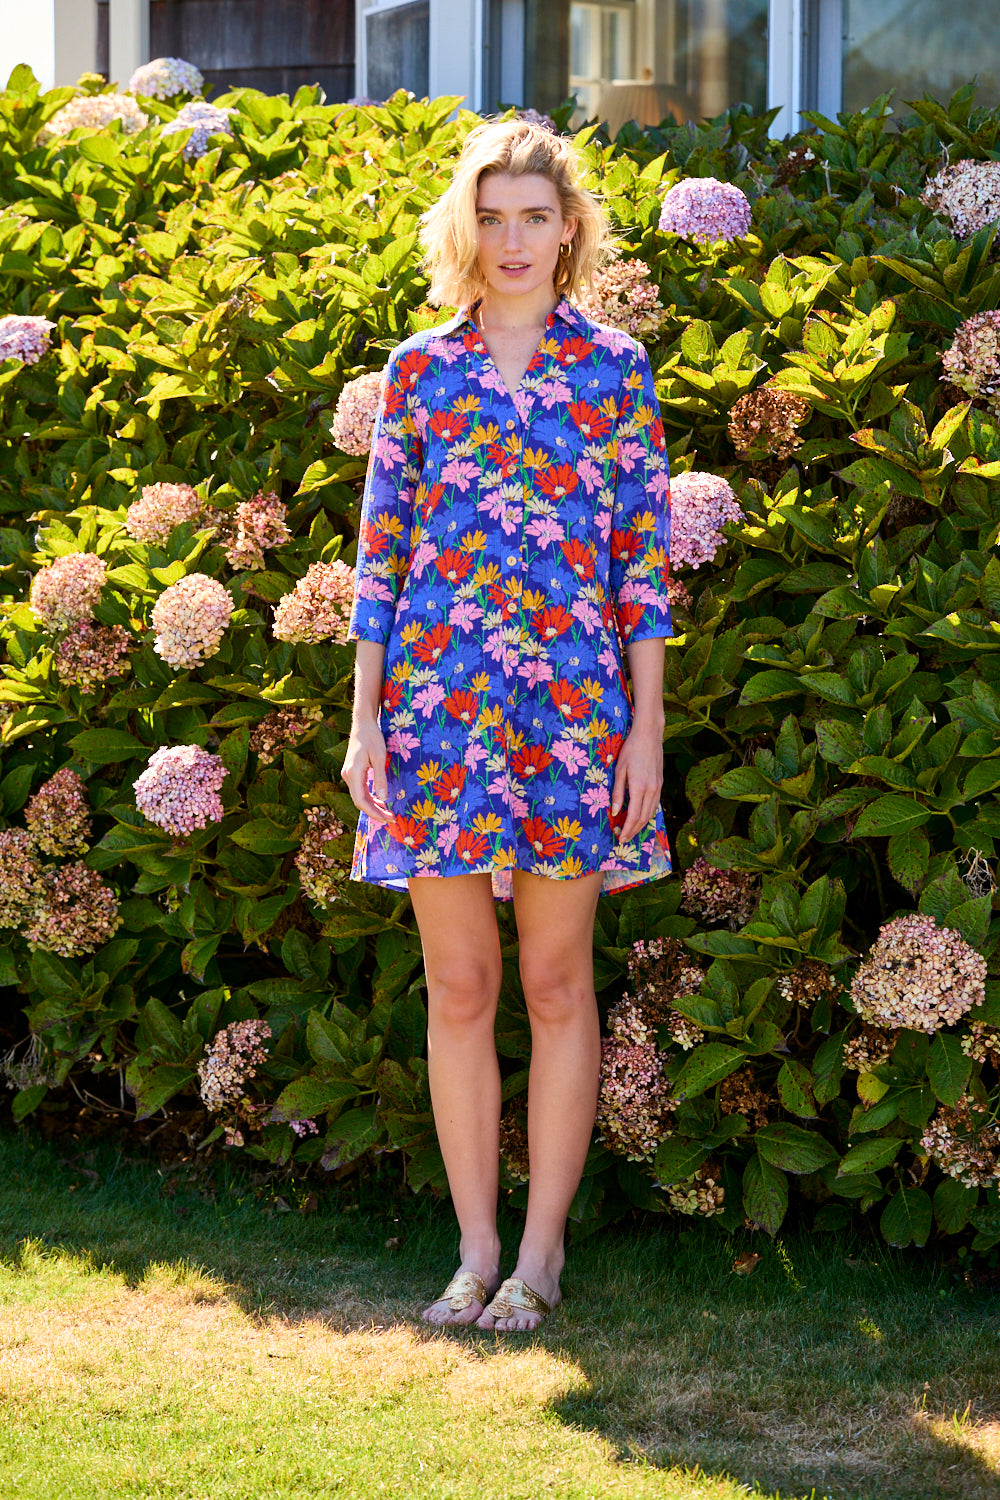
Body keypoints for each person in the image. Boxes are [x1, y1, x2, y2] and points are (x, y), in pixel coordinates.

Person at [342, 118, 672, 1332]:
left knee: (554, 981)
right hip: (435, 713)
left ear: (568, 228)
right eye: (490, 217)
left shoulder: (615, 370)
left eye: (534, 216)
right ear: (464, 229)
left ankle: (541, 1258)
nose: (513, 240)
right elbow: (381, 558)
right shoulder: (418, 371)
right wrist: (364, 721)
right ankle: (475, 1252)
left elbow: (641, 568)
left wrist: (646, 729)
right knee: (460, 983)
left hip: (572, 714)